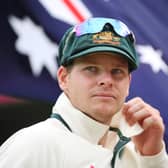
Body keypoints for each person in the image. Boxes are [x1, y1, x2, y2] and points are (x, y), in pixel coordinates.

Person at [0, 17, 167, 168]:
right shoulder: (35, 145)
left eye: (117, 71)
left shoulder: (140, 153)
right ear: (64, 78)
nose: (107, 80)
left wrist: (153, 158)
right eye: (91, 69)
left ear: (128, 83)